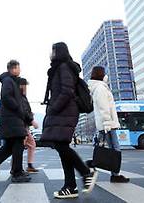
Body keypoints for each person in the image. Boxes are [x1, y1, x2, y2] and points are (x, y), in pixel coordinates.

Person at [41, 42, 97, 199]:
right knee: (62, 147)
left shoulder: (64, 67)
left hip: (65, 111)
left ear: (58, 52)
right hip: (64, 111)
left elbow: (66, 91)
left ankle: (86, 173)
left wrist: (53, 108)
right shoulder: (60, 68)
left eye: (52, 50)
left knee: (61, 146)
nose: (50, 54)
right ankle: (70, 186)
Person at [0, 60, 32, 183]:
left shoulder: (11, 81)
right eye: (18, 68)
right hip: (12, 119)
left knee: (8, 148)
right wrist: (18, 108)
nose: (20, 70)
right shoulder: (8, 81)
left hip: (12, 119)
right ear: (13, 69)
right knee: (17, 145)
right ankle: (17, 173)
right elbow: (6, 97)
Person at [88, 66, 130, 183]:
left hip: (107, 123)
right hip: (107, 124)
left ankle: (111, 173)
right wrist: (107, 123)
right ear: (102, 75)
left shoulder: (99, 87)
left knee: (107, 149)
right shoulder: (100, 88)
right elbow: (104, 107)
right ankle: (109, 173)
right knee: (115, 149)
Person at [19, 78, 40, 173]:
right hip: (22, 126)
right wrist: (32, 120)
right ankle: (16, 168)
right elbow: (24, 112)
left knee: (31, 145)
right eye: (25, 86)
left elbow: (26, 111)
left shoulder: (23, 97)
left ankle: (29, 165)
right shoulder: (20, 97)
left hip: (25, 126)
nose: (26, 88)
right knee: (18, 148)